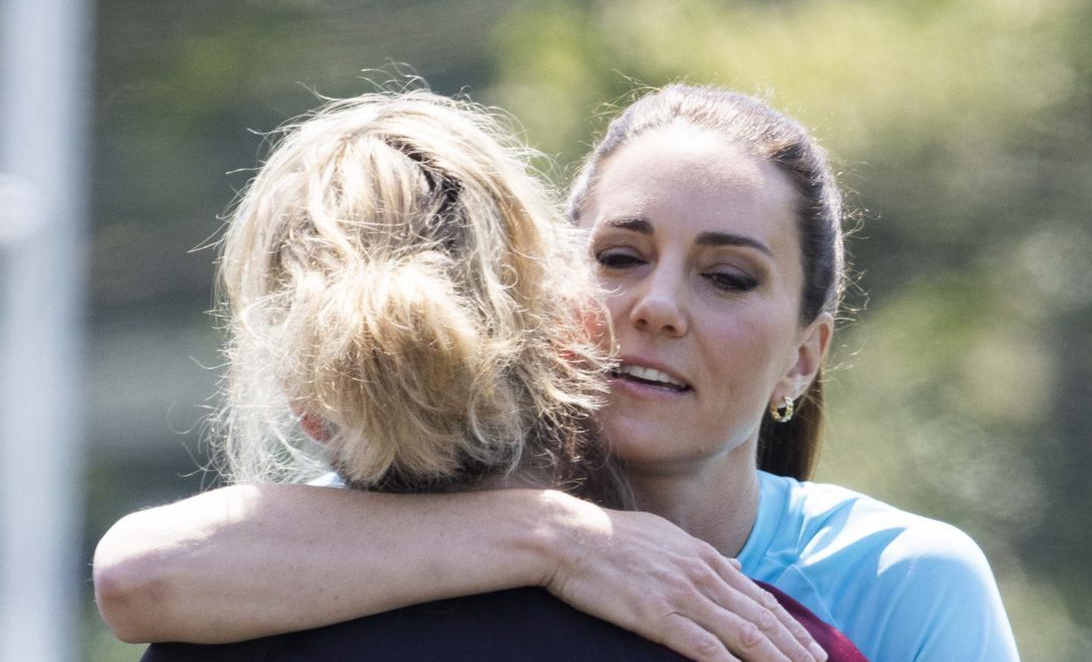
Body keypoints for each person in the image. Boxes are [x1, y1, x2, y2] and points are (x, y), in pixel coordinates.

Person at [96, 84, 1019, 661]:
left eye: (728, 276)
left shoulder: (901, 579)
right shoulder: (387, 539)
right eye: (619, 257)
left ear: (804, 357)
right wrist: (561, 537)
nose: (658, 305)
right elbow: (141, 572)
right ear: (549, 294)